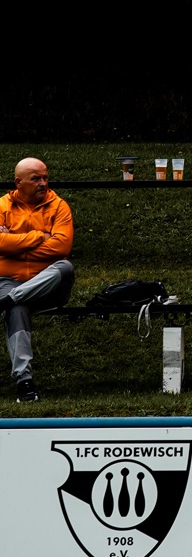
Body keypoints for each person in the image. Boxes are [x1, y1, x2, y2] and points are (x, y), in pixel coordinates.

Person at [0, 158, 74, 403]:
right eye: (36, 179)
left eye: (45, 177)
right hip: (9, 281)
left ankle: (7, 301)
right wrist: (38, 237)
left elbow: (61, 247)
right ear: (18, 182)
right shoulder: (2, 205)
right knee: (17, 309)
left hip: (48, 288)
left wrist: (12, 246)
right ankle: (25, 382)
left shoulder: (59, 206)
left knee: (64, 267)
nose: (43, 183)